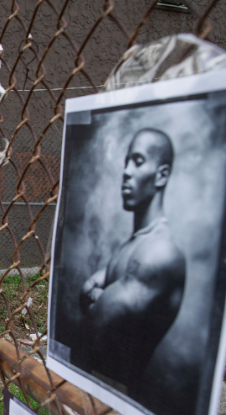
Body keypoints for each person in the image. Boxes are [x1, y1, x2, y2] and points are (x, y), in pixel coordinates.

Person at [80, 128, 186, 396]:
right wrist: (101, 294)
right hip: (101, 383)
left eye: (138, 162)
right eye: (126, 161)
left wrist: (99, 294)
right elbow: (87, 294)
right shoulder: (134, 245)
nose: (126, 171)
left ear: (161, 175)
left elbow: (95, 318)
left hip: (126, 394)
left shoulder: (159, 252)